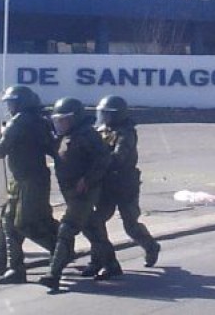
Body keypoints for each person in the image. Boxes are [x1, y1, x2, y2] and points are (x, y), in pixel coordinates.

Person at [82, 95, 160, 280]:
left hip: (125, 185)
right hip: (106, 186)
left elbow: (118, 157)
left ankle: (150, 246)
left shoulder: (126, 133)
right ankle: (97, 261)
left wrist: (100, 159)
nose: (105, 118)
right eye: (104, 114)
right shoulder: (102, 130)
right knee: (96, 222)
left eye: (109, 115)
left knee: (130, 225)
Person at [38, 97, 111, 290]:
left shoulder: (87, 135)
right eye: (58, 120)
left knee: (66, 229)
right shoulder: (66, 135)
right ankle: (112, 265)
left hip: (85, 192)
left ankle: (53, 274)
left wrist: (87, 179)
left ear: (75, 118)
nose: (60, 123)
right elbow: (56, 151)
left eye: (64, 119)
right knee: (92, 231)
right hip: (70, 191)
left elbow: (103, 159)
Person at [0, 85, 59, 284]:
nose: (9, 106)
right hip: (33, 177)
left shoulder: (18, 122)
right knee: (9, 219)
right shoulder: (40, 120)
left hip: (26, 179)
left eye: (12, 102)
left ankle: (60, 250)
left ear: (21, 103)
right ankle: (10, 263)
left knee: (25, 224)